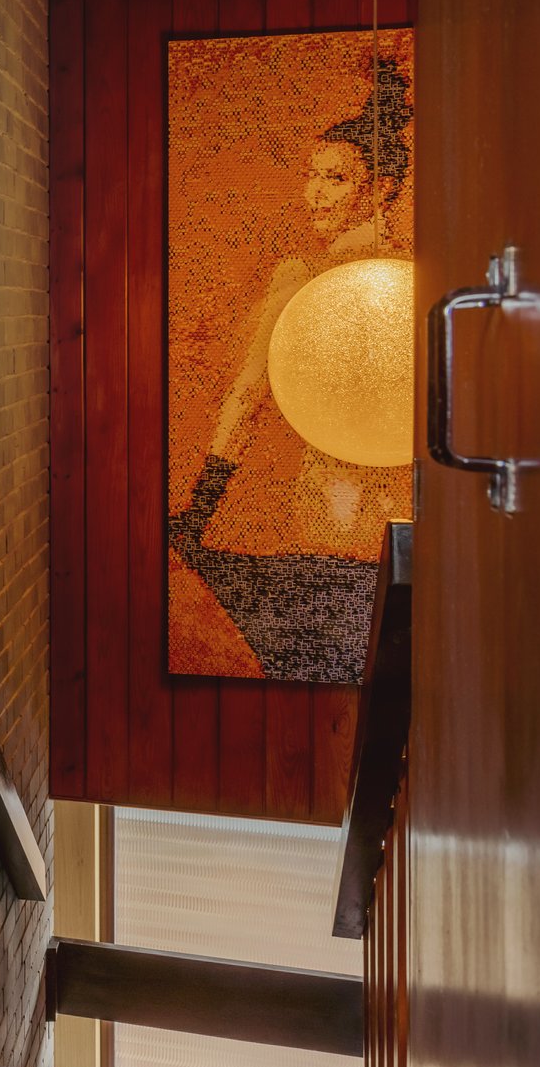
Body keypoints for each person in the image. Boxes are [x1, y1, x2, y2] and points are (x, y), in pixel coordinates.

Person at [168, 60, 412, 682]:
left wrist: (199, 512)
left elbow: (248, 395)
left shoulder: (304, 277)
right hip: (400, 515)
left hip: (329, 510)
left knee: (323, 658)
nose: (314, 194)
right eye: (312, 175)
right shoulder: (415, 279)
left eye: (335, 178)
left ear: (381, 188)